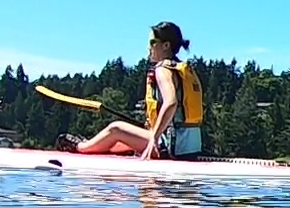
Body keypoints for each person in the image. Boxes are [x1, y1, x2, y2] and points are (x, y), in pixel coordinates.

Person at [67, 22, 207, 160]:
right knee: (119, 143)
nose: (149, 47)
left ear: (166, 45)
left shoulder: (163, 70)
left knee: (115, 129)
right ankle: (92, 145)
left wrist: (154, 138)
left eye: (153, 42)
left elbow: (171, 102)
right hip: (190, 148)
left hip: (171, 147)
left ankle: (79, 147)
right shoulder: (180, 69)